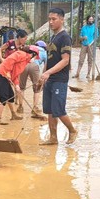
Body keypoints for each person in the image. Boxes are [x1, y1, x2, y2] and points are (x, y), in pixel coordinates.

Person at [37, 8, 78, 145]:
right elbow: (49, 59)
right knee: (49, 110)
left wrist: (48, 73)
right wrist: (43, 74)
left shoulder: (65, 37)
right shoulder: (53, 37)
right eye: (49, 19)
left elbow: (65, 60)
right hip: (50, 78)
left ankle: (72, 130)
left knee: (58, 110)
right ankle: (53, 137)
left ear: (62, 19)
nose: (50, 22)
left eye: (54, 19)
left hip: (59, 79)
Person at [0, 46, 36, 124]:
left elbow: (15, 74)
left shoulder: (25, 61)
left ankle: (13, 114)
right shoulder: (22, 54)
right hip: (1, 75)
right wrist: (7, 72)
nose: (34, 59)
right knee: (3, 98)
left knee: (10, 96)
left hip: (6, 76)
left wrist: (17, 85)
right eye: (35, 56)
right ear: (32, 54)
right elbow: (10, 60)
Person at [17, 44, 46, 119]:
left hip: (24, 65)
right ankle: (35, 107)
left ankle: (20, 107)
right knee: (37, 88)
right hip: (34, 66)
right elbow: (46, 64)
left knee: (21, 87)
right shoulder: (44, 52)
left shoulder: (28, 47)